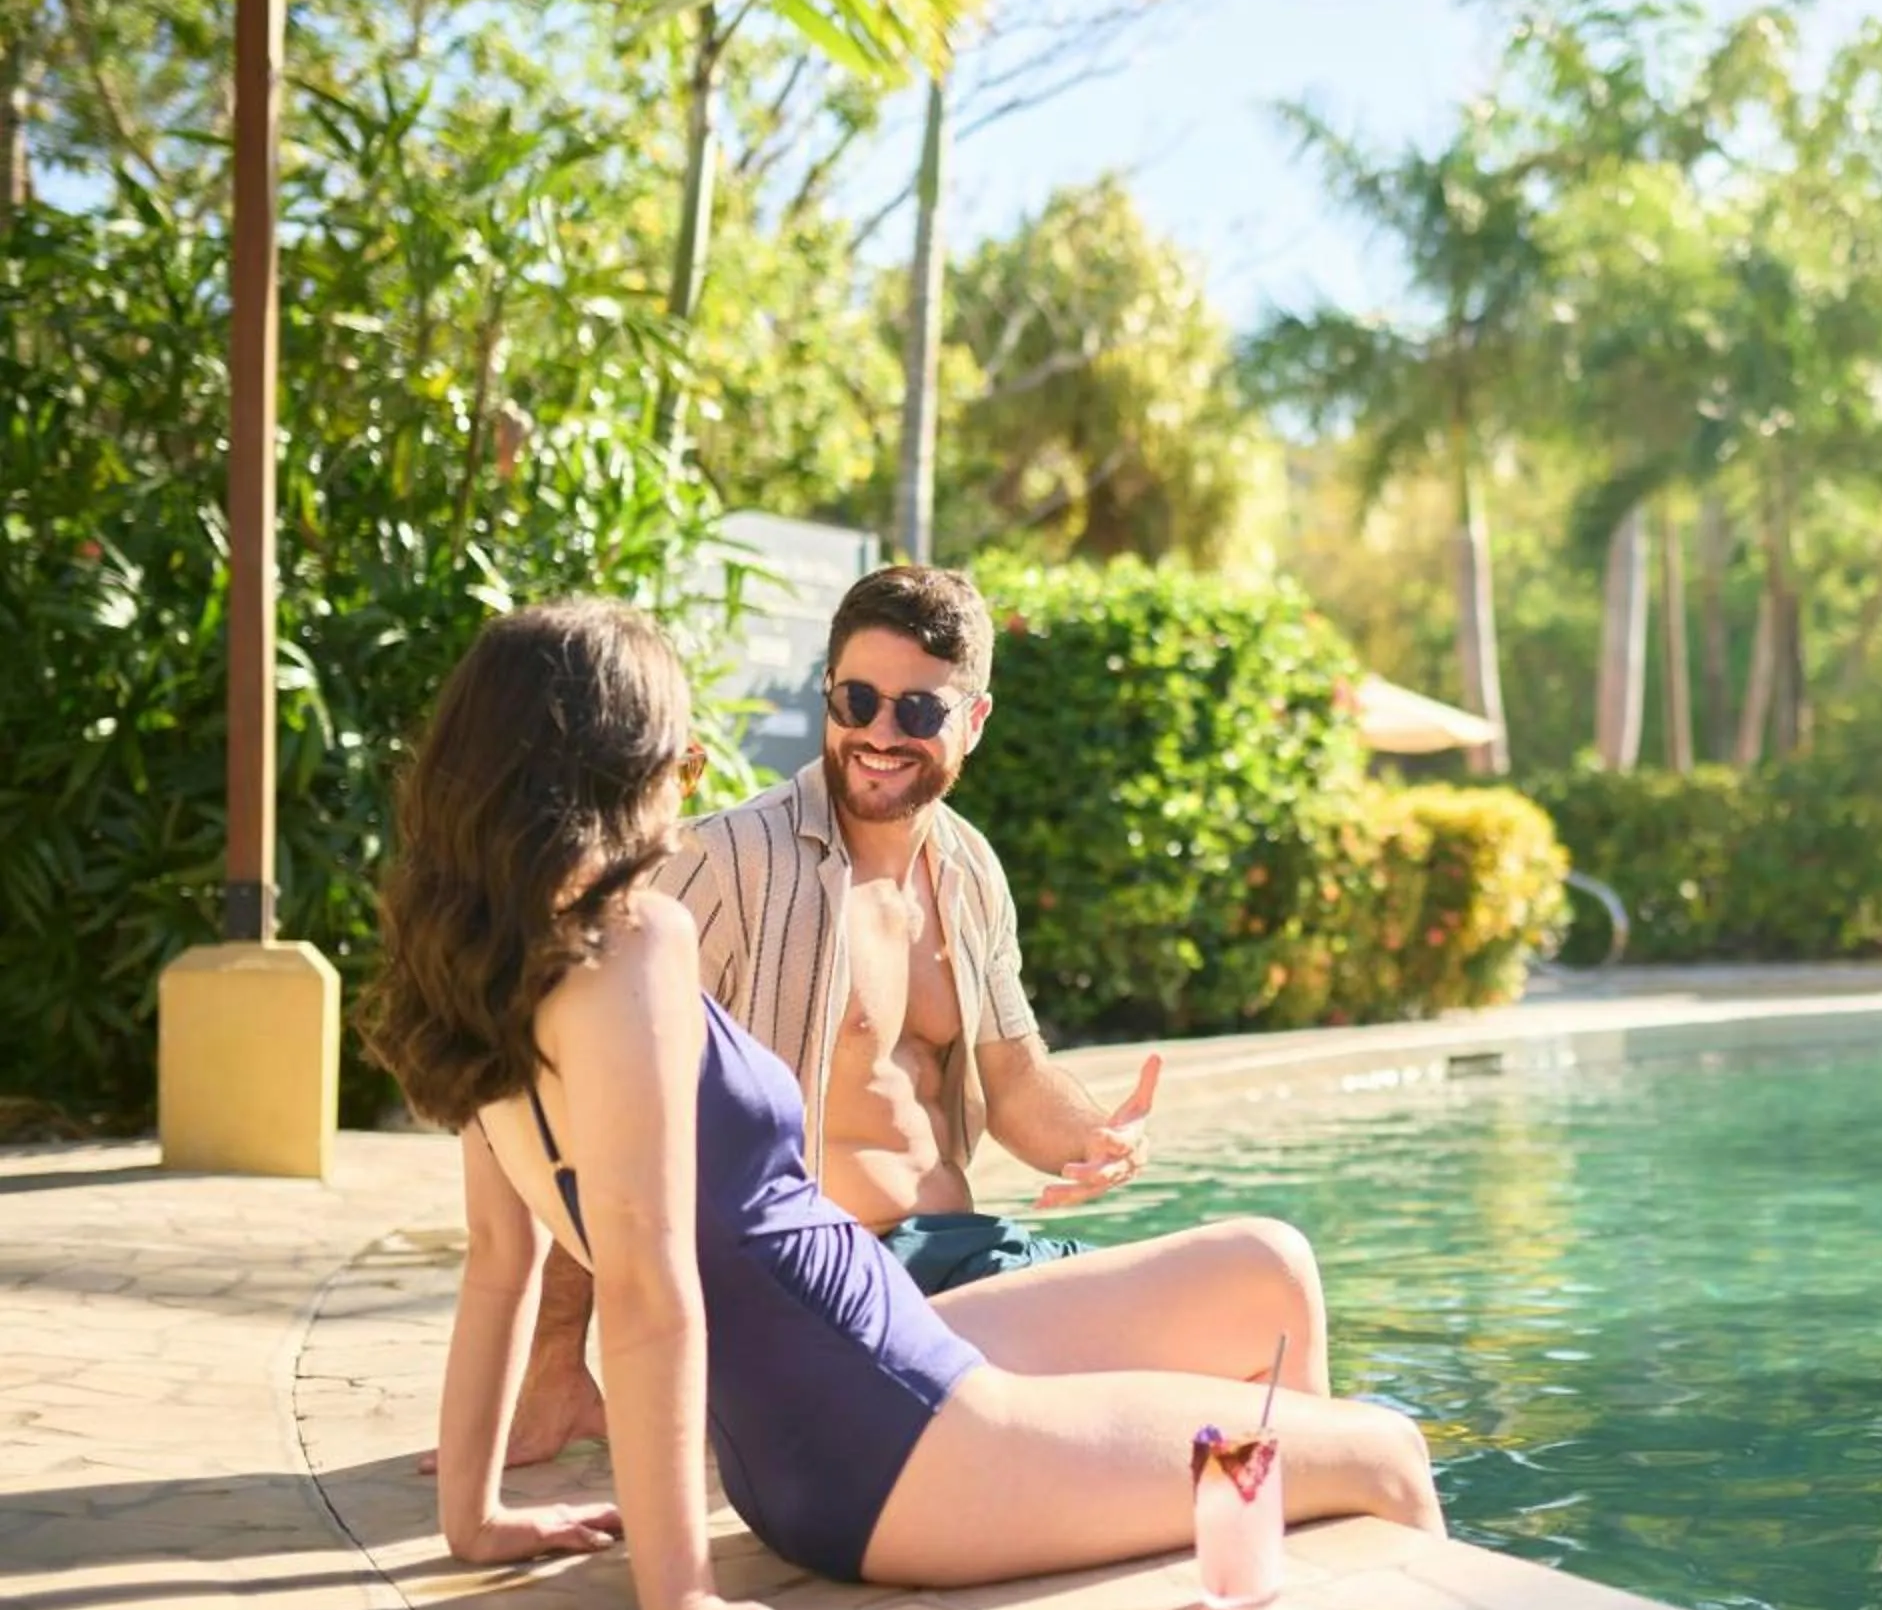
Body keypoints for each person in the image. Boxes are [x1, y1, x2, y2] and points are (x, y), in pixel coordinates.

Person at [365, 600, 1442, 1610]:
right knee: (1384, 1451)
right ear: (611, 761)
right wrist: (680, 1602)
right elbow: (645, 1289)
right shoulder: (637, 939)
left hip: (861, 1369)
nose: (687, 775)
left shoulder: (486, 965)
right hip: (890, 1432)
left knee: (1265, 1269)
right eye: (678, 750)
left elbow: (502, 1255)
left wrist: (476, 1517)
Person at [470, 565, 1292, 1469]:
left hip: (963, 1260)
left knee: (1245, 1344)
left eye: (919, 712)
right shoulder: (726, 862)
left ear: (973, 722)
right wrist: (555, 1360)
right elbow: (607, 1117)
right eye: (855, 700)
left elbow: (1014, 1076)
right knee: (1244, 1311)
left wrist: (1096, 1139)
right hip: (832, 1294)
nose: (878, 734)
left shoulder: (971, 871)